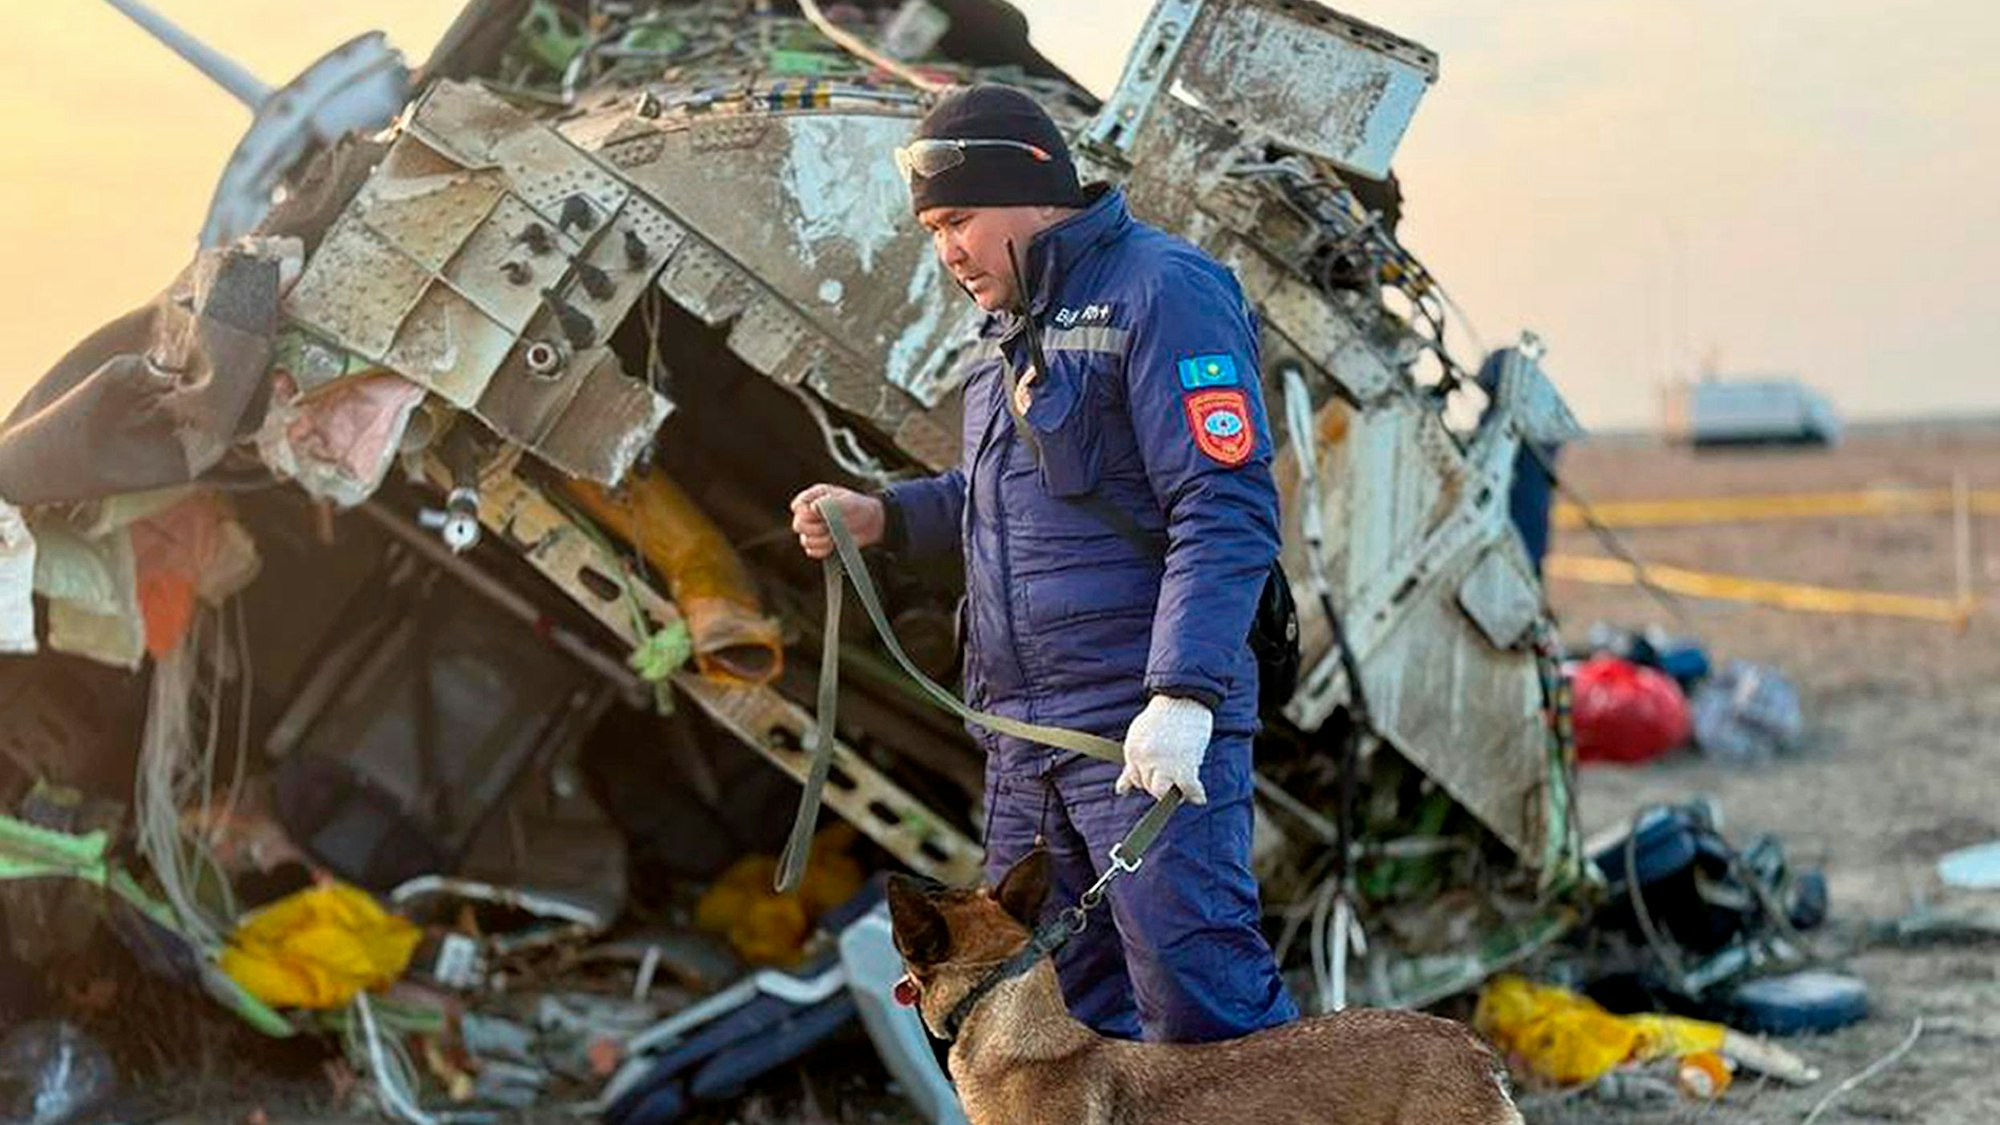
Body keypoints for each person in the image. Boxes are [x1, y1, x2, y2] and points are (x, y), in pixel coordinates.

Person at [790, 85, 1297, 1043]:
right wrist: (884, 517)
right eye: (934, 228)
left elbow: (1223, 502)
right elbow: (1004, 500)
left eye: (959, 219)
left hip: (1136, 736)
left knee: (1202, 1008)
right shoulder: (1010, 332)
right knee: (1048, 1025)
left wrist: (1183, 696)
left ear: (1034, 188)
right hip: (1026, 746)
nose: (948, 251)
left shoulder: (1165, 290)